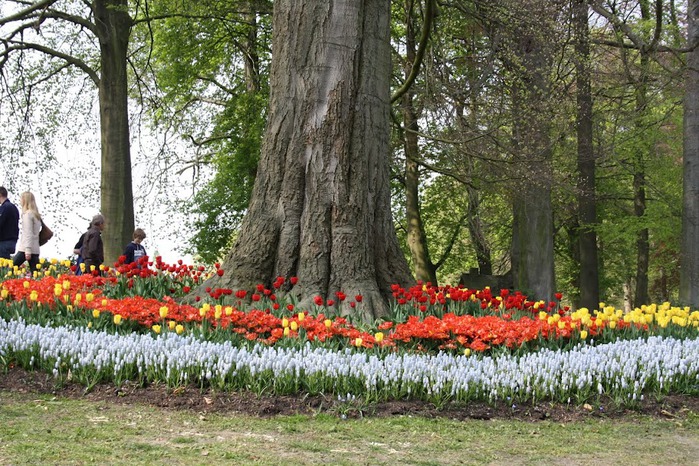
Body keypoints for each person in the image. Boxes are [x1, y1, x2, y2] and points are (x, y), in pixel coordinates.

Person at [12, 191, 42, 275]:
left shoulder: (27, 215)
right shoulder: (36, 215)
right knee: (35, 273)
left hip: (26, 248)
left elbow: (28, 233)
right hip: (35, 248)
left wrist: (27, 250)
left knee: (11, 268)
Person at [0, 187, 20, 260]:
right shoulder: (14, 207)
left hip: (4, 241)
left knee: (3, 268)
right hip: (12, 240)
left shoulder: (4, 207)